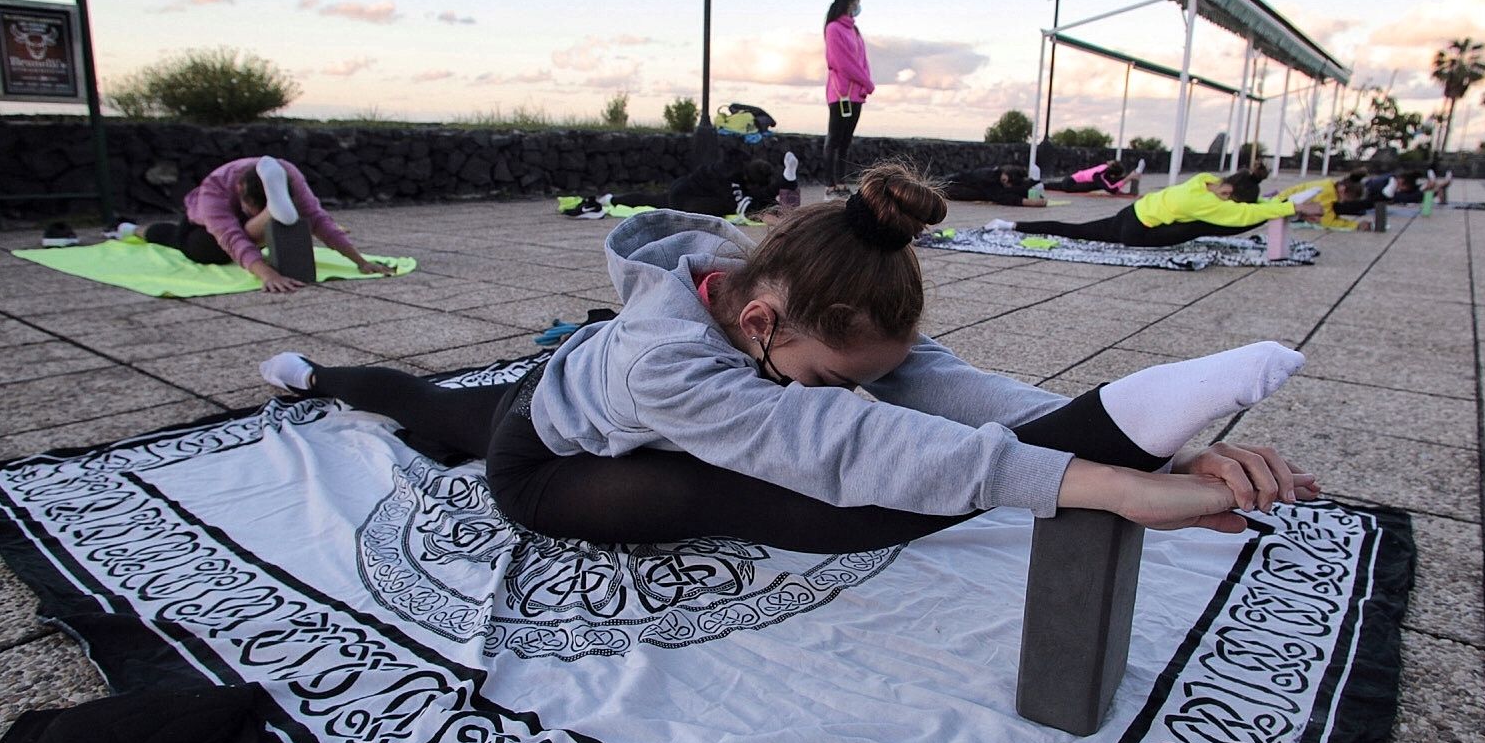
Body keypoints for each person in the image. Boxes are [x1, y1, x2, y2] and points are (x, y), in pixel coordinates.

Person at [258, 163, 1315, 555]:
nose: (848, 386)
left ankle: (1125, 418)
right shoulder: (678, 364)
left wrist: (1140, 448)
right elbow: (837, 442)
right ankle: (315, 379)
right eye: (825, 371)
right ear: (762, 325)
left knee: (894, 437)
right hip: (547, 456)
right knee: (822, 507)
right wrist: (1109, 483)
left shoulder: (807, 291)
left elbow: (942, 390)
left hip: (583, 381)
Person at [141, 156, 391, 293]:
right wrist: (268, 274)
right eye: (254, 208)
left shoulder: (288, 174)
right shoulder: (214, 188)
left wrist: (361, 262)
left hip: (254, 219)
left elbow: (319, 221)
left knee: (299, 216)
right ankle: (133, 229)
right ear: (240, 191)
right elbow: (231, 237)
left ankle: (274, 211)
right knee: (184, 242)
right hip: (200, 229)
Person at [996, 169, 1324, 246]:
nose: (1226, 201)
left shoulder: (1202, 181)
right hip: (1136, 230)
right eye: (1229, 197)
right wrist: (1287, 209)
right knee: (1212, 224)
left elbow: (1244, 206)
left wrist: (1276, 204)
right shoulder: (1205, 202)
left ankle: (1011, 226)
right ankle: (1011, 226)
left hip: (1133, 215)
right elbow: (1245, 215)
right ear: (1227, 190)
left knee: (1078, 230)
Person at [570, 153, 779, 220]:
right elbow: (736, 206)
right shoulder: (731, 181)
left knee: (649, 200)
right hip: (685, 197)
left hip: (684, 188)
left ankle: (608, 199)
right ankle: (608, 200)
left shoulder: (733, 168)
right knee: (650, 201)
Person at [822, 0, 874, 199]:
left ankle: (842, 183)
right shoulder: (833, 28)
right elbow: (843, 62)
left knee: (846, 140)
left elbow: (863, 61)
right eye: (857, 0)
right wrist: (867, 82)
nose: (858, 4)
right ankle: (830, 184)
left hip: (856, 95)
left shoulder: (854, 30)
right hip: (841, 93)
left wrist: (865, 84)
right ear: (849, 2)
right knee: (834, 138)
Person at [943, 163, 1047, 207]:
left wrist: (1035, 194)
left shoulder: (999, 176)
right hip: (952, 187)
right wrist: (1029, 202)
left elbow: (1016, 189)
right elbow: (1000, 196)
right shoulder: (989, 179)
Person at [1046, 159, 1144, 194]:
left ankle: (1133, 174)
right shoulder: (1100, 174)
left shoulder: (1104, 171)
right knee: (1099, 184)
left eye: (1111, 161)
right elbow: (1111, 189)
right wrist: (1127, 179)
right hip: (1070, 184)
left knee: (1049, 186)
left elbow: (1110, 183)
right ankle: (1132, 175)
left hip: (1069, 182)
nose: (1108, 161)